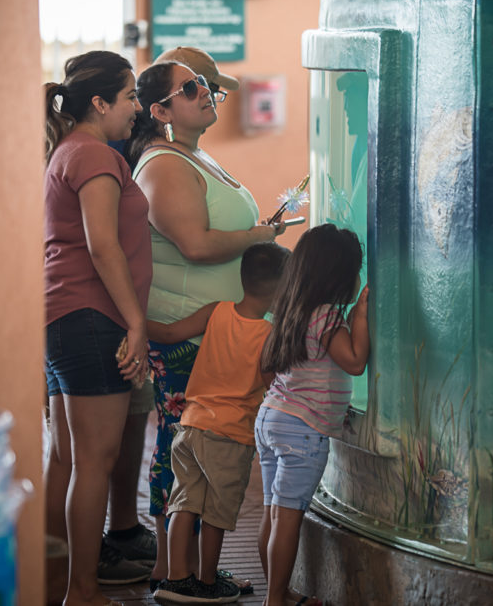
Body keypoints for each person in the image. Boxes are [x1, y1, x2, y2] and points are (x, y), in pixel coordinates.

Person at [127, 48, 286, 588]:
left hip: (210, 333)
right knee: (184, 446)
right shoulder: (163, 164)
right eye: (191, 88)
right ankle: (174, 570)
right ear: (160, 111)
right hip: (183, 334)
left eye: (205, 84)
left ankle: (193, 568)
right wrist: (261, 236)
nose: (206, 93)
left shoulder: (193, 155)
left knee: (199, 447)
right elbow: (194, 244)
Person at [43, 50, 153, 606]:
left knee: (68, 459)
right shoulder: (93, 155)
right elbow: (102, 244)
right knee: (94, 462)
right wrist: (135, 323)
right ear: (99, 102)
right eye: (130, 96)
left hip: (66, 318)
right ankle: (82, 590)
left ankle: (55, 582)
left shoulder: (68, 150)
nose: (137, 108)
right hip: (93, 318)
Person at [154, 242, 291, 604]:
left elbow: (170, 334)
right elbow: (272, 383)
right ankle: (207, 581)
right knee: (216, 511)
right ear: (280, 290)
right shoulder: (269, 334)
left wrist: (133, 325)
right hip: (229, 436)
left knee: (183, 501)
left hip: (190, 425)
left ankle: (176, 579)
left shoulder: (217, 311)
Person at [255, 224, 371, 606]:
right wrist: (360, 316)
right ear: (338, 277)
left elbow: (273, 367)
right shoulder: (326, 317)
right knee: (287, 518)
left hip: (271, 417)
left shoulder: (292, 311)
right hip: (301, 431)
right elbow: (354, 361)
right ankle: (275, 599)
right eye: (355, 271)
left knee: (273, 513)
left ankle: (278, 590)